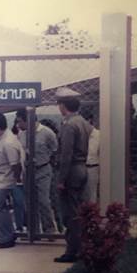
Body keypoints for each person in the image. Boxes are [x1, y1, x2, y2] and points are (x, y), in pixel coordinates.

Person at [53, 87, 94, 263]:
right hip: (82, 167)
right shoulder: (83, 122)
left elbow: (66, 155)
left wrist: (61, 179)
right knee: (79, 210)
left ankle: (72, 251)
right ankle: (81, 247)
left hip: (71, 171)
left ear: (63, 106)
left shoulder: (69, 125)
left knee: (70, 213)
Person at [14, 108, 59, 238]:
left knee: (43, 201)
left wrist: (47, 161)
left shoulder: (47, 133)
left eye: (20, 121)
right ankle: (34, 231)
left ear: (28, 121)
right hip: (28, 170)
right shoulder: (22, 134)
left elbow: (55, 149)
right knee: (29, 202)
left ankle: (49, 230)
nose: (18, 125)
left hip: (42, 168)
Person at [0, 111, 24, 249]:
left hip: (6, 179)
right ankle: (6, 234)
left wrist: (16, 181)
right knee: (1, 208)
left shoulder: (9, 142)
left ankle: (6, 238)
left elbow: (15, 165)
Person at [84, 114, 100, 204]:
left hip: (93, 167)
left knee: (92, 194)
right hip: (79, 167)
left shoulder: (99, 135)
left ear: (89, 120)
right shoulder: (79, 134)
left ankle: (92, 210)